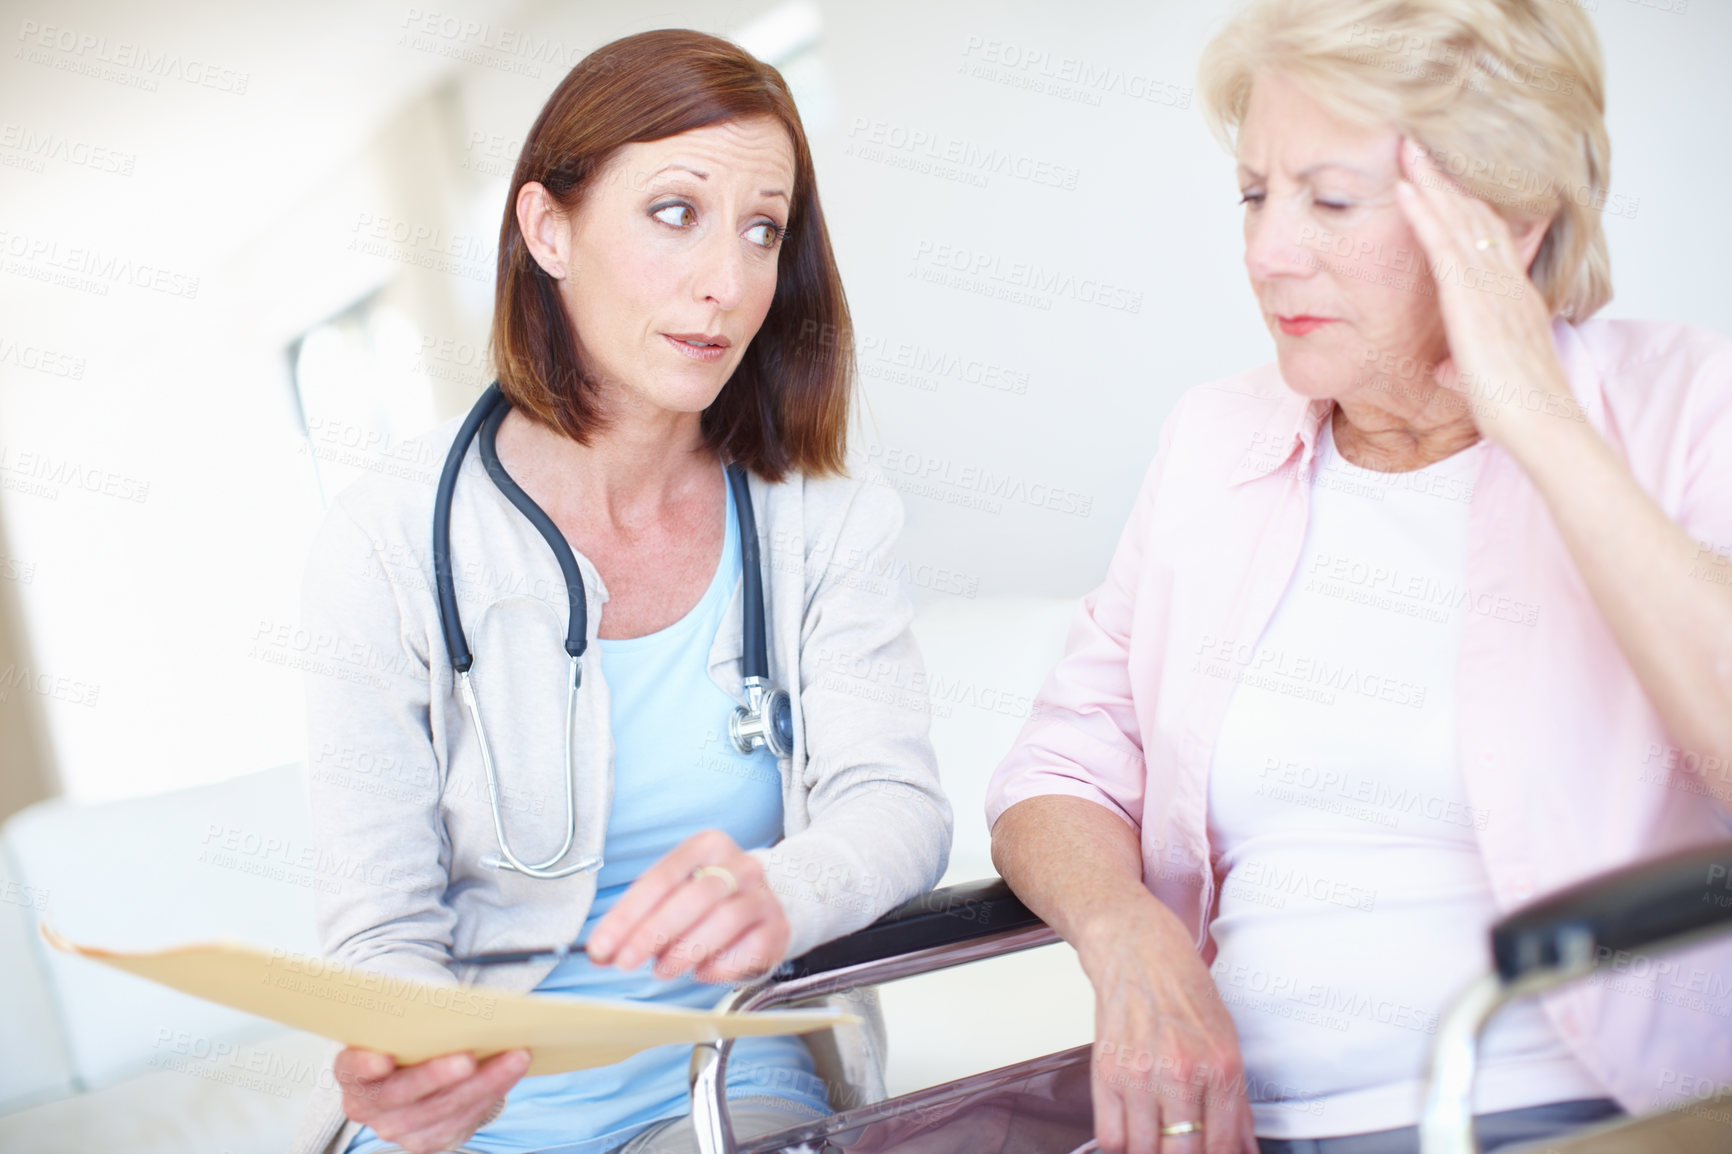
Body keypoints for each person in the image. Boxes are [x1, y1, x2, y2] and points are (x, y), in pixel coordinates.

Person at [986, 2, 1732, 1152]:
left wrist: (1531, 413)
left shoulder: (1682, 404)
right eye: (1253, 194)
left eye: (1329, 199)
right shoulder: (1213, 441)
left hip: (1561, 1110)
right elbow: (1062, 764)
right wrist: (1130, 936)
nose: (1267, 249)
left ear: (1510, 217)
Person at [286, 29, 951, 1154]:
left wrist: (787, 887)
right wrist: (406, 1055)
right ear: (548, 228)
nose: (727, 282)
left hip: (728, 1078)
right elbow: (382, 920)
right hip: (478, 1115)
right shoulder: (387, 539)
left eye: (762, 229)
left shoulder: (824, 512)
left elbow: (898, 803)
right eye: (675, 211)